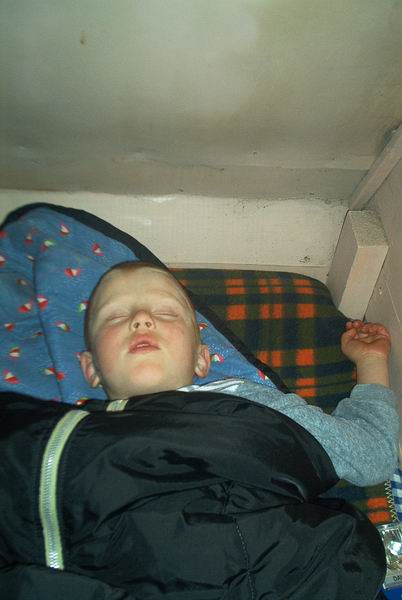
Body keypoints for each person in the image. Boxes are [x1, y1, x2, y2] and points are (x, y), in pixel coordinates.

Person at [80, 260, 399, 487]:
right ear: (90, 367)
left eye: (165, 312)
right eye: (116, 316)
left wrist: (370, 360)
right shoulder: (68, 438)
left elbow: (371, 456)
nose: (141, 319)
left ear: (201, 359)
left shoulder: (246, 402)